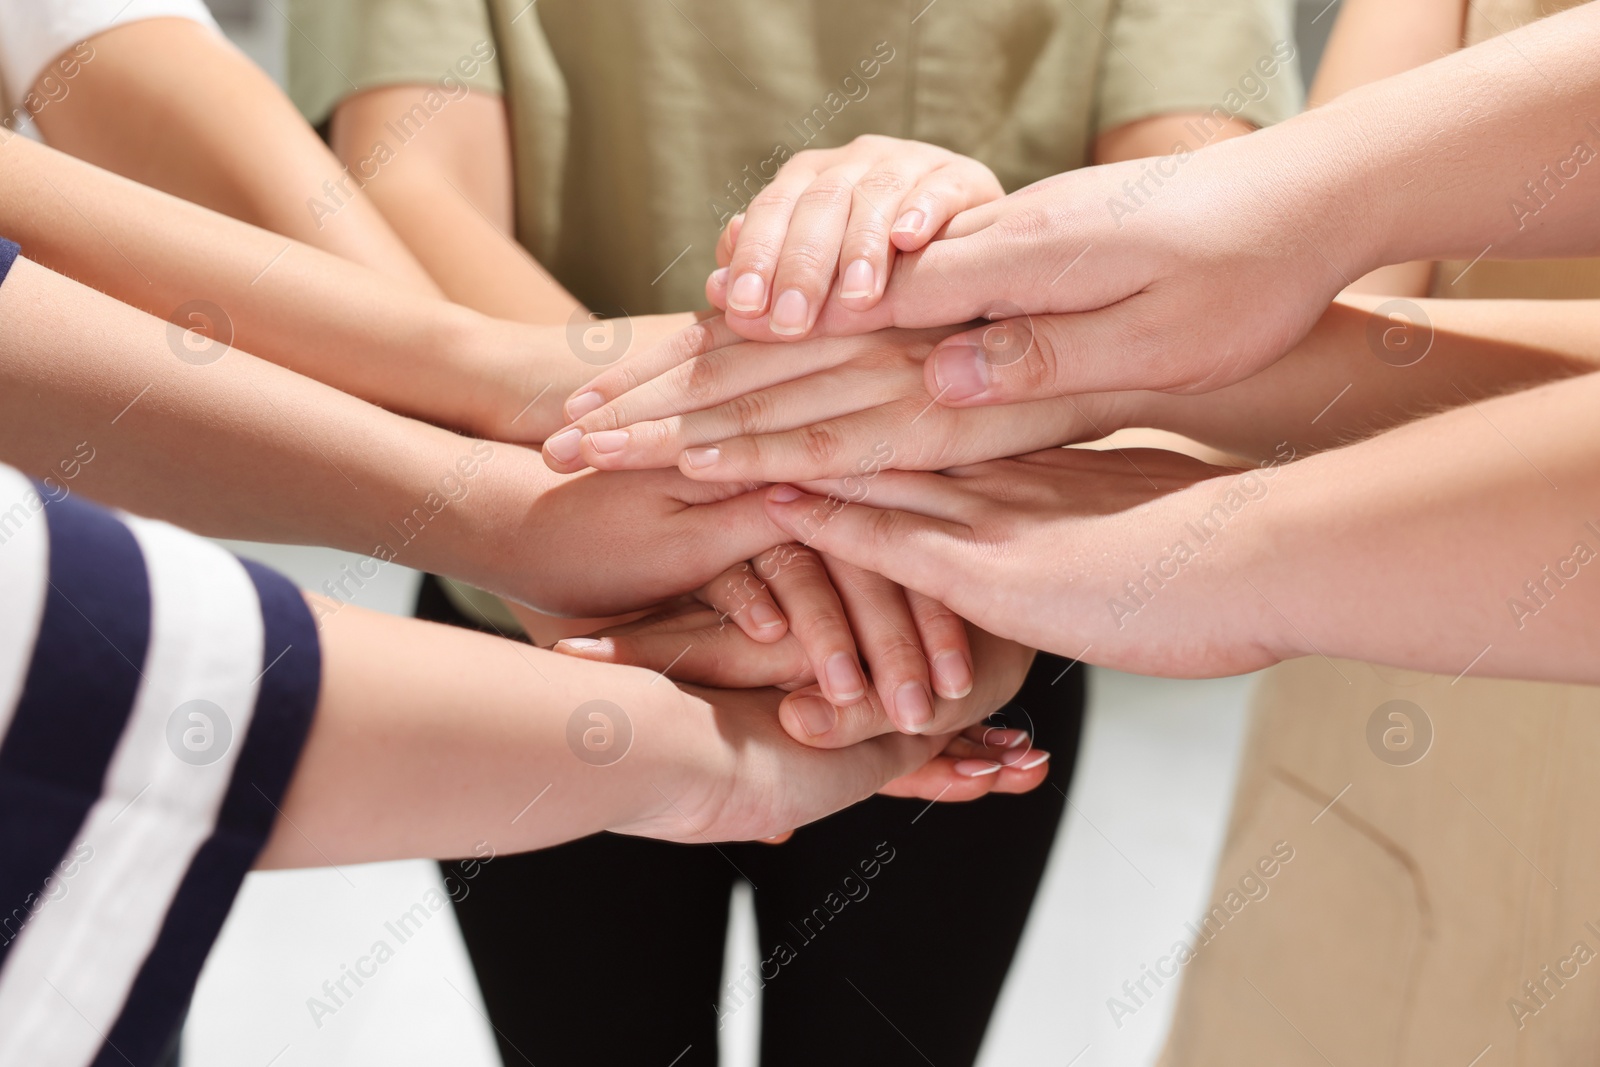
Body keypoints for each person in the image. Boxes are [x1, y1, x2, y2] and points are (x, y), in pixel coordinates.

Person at [282, 1, 1303, 1061]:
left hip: (937, 622)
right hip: (577, 601)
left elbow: (1192, 234)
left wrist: (729, 488)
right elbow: (405, 186)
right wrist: (760, 495)